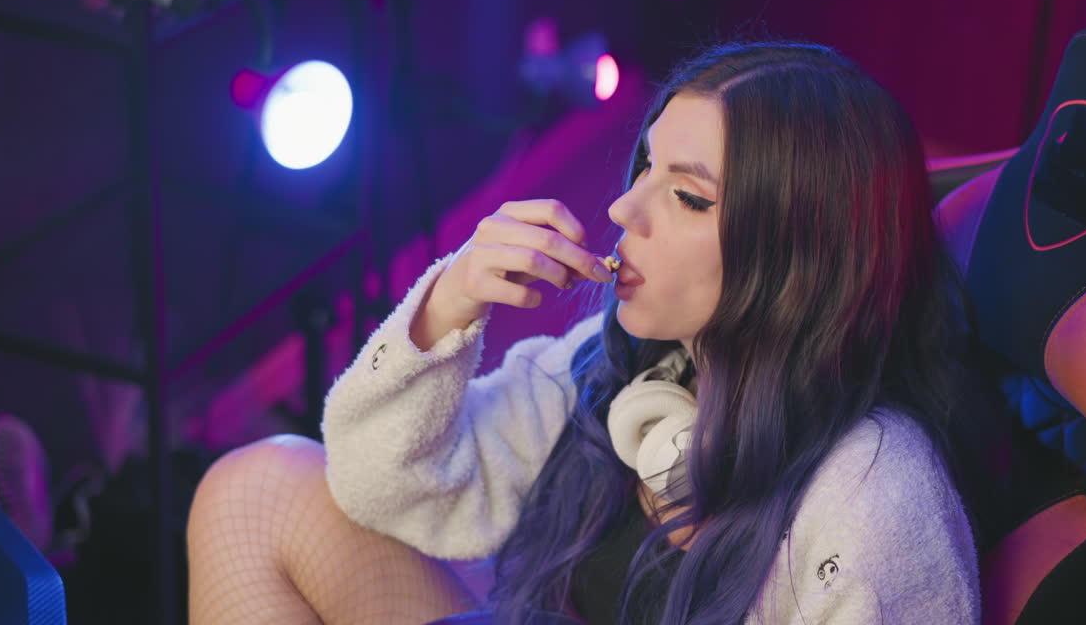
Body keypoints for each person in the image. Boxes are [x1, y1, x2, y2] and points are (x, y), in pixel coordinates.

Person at [187, 41, 989, 624]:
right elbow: (384, 487)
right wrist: (451, 304)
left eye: (689, 197)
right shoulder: (608, 374)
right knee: (256, 487)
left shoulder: (873, 493)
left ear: (799, 256)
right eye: (645, 166)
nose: (623, 210)